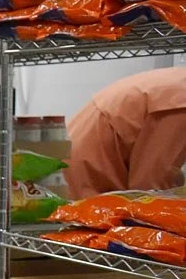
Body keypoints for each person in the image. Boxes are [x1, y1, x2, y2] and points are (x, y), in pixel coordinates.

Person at [66, 66, 186, 198]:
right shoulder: (178, 106)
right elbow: (151, 187)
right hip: (90, 182)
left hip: (81, 165)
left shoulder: (178, 86)